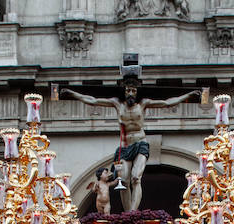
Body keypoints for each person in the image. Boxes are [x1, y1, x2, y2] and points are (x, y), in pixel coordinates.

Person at [61, 81, 201, 210]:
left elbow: (167, 103)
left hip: (140, 143)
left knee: (135, 177)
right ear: (124, 91)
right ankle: (128, 213)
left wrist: (188, 95)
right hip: (126, 147)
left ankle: (133, 211)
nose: (131, 93)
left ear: (137, 92)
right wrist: (72, 93)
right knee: (123, 181)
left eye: (134, 90)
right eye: (128, 90)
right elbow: (93, 100)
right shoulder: (117, 104)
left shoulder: (143, 104)